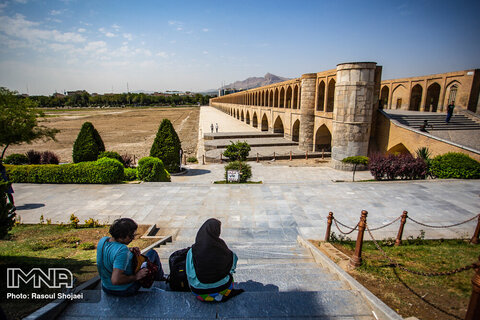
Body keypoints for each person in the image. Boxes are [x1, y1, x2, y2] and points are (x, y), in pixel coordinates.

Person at [97, 218, 165, 296]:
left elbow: (113, 253)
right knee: (153, 253)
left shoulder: (103, 240)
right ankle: (160, 281)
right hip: (125, 289)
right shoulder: (122, 251)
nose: (132, 238)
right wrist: (136, 276)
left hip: (106, 287)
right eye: (130, 236)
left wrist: (130, 250)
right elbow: (115, 280)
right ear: (121, 236)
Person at [186, 218, 244, 302]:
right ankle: (219, 295)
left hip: (198, 292)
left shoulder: (192, 251)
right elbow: (233, 261)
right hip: (223, 289)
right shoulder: (221, 247)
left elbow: (190, 273)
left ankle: (210, 296)